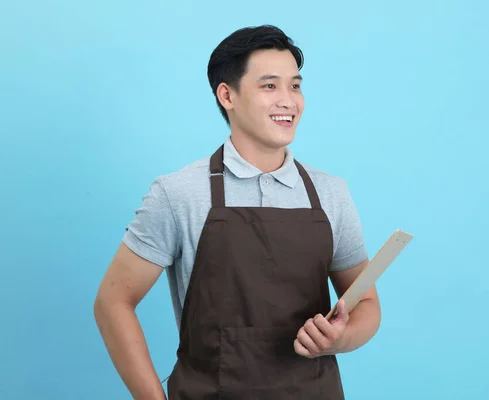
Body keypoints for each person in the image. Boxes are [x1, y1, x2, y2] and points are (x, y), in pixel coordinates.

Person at [93, 24, 381, 399]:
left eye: (295, 85)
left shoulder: (330, 193)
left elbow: (367, 305)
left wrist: (340, 338)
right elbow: (112, 302)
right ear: (227, 95)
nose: (289, 100)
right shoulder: (179, 193)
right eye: (269, 86)